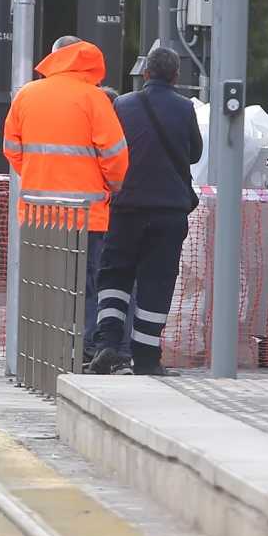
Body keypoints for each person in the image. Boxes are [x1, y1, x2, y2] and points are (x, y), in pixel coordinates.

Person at [1, 35, 129, 357]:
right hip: (88, 214)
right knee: (86, 287)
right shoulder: (94, 98)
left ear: (55, 58)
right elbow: (116, 156)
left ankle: (42, 351)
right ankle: (84, 348)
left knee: (43, 285)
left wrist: (38, 175)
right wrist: (112, 186)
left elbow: (12, 150)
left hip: (37, 214)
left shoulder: (26, 95)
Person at [87, 43, 204, 375]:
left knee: (114, 275)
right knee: (157, 282)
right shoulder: (185, 109)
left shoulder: (122, 105)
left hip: (125, 209)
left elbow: (108, 149)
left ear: (146, 73)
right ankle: (148, 359)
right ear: (176, 76)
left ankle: (107, 346)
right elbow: (195, 153)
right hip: (169, 213)